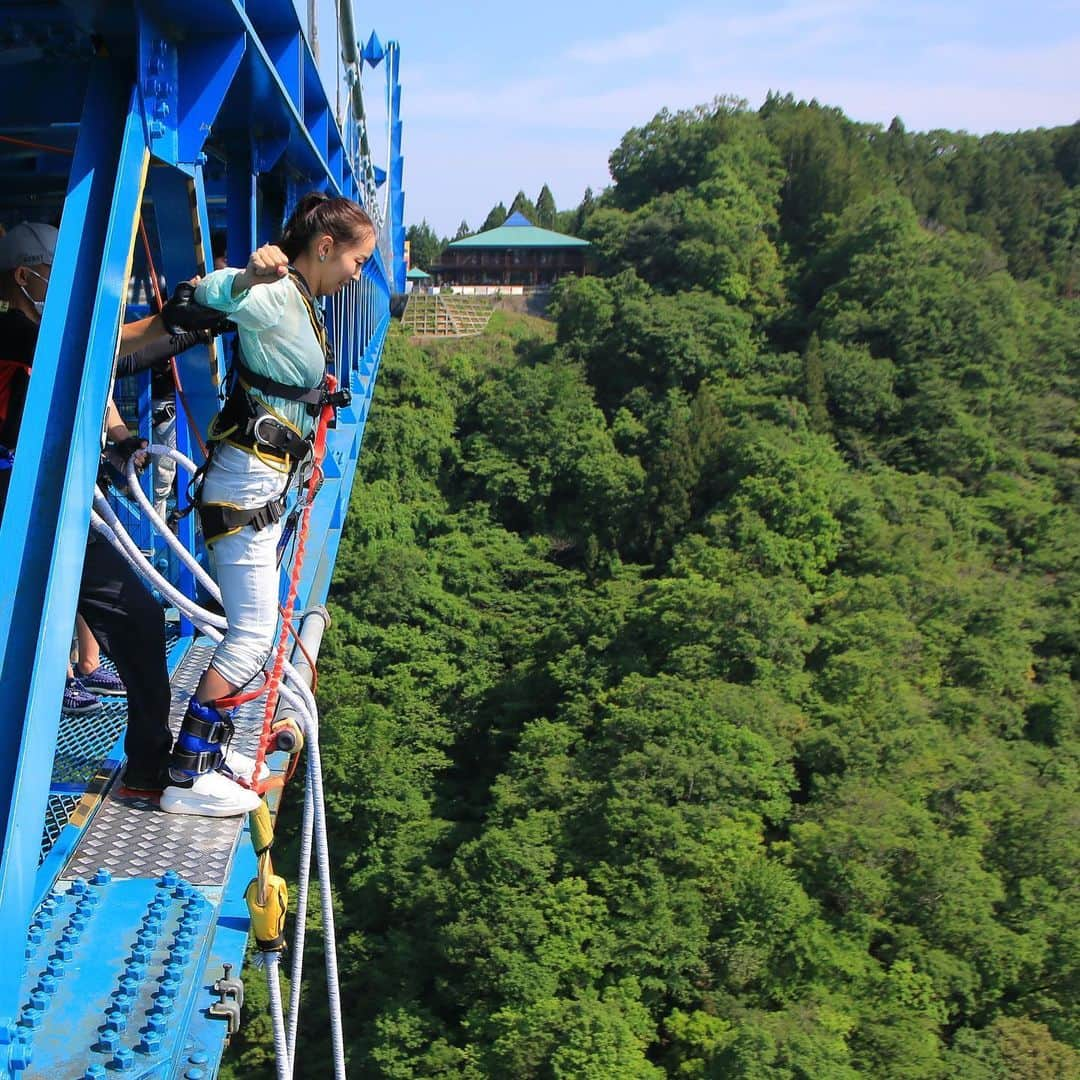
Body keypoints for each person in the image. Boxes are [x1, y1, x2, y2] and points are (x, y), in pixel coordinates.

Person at [0, 221, 256, 813]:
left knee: (134, 621)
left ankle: (148, 761)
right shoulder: (14, 331)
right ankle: (147, 765)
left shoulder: (34, 331)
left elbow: (96, 377)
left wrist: (116, 434)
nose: (63, 286)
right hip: (33, 514)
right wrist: (175, 324)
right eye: (52, 273)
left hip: (48, 509)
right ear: (24, 277)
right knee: (136, 623)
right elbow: (100, 351)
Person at [160, 192, 374, 816]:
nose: (358, 274)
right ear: (325, 247)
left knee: (254, 629)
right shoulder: (278, 291)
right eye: (357, 261)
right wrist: (248, 274)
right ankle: (187, 772)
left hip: (261, 484)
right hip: (249, 486)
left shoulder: (305, 303)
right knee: (253, 638)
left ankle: (210, 754)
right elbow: (207, 297)